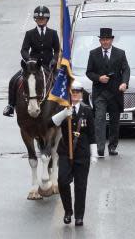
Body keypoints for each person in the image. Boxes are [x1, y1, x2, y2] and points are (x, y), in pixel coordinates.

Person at [49, 80, 96, 226]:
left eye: (78, 92)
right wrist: (64, 113)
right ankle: (68, 211)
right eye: (73, 92)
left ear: (81, 94)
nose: (75, 94)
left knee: (80, 186)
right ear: (69, 93)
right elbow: (51, 123)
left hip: (82, 153)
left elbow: (92, 134)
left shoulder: (87, 110)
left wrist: (93, 153)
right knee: (62, 182)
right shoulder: (63, 108)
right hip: (65, 152)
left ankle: (79, 216)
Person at [4, 6, 60, 117]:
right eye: (38, 19)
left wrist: (54, 59)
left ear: (47, 20)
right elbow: (24, 49)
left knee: (63, 81)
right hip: (33, 67)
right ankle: (10, 106)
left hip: (48, 65)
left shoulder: (53, 33)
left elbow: (57, 49)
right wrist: (29, 60)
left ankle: (63, 106)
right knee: (13, 80)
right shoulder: (29, 34)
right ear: (35, 20)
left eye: (43, 19)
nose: (41, 21)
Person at [86, 28, 130, 157]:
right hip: (100, 93)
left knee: (114, 121)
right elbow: (89, 72)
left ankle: (112, 146)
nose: (105, 42)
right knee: (99, 119)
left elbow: (126, 70)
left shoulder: (120, 53)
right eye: (103, 39)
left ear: (112, 40)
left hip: (115, 93)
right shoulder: (93, 53)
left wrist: (124, 83)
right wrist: (99, 78)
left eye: (107, 39)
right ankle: (100, 148)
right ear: (100, 40)